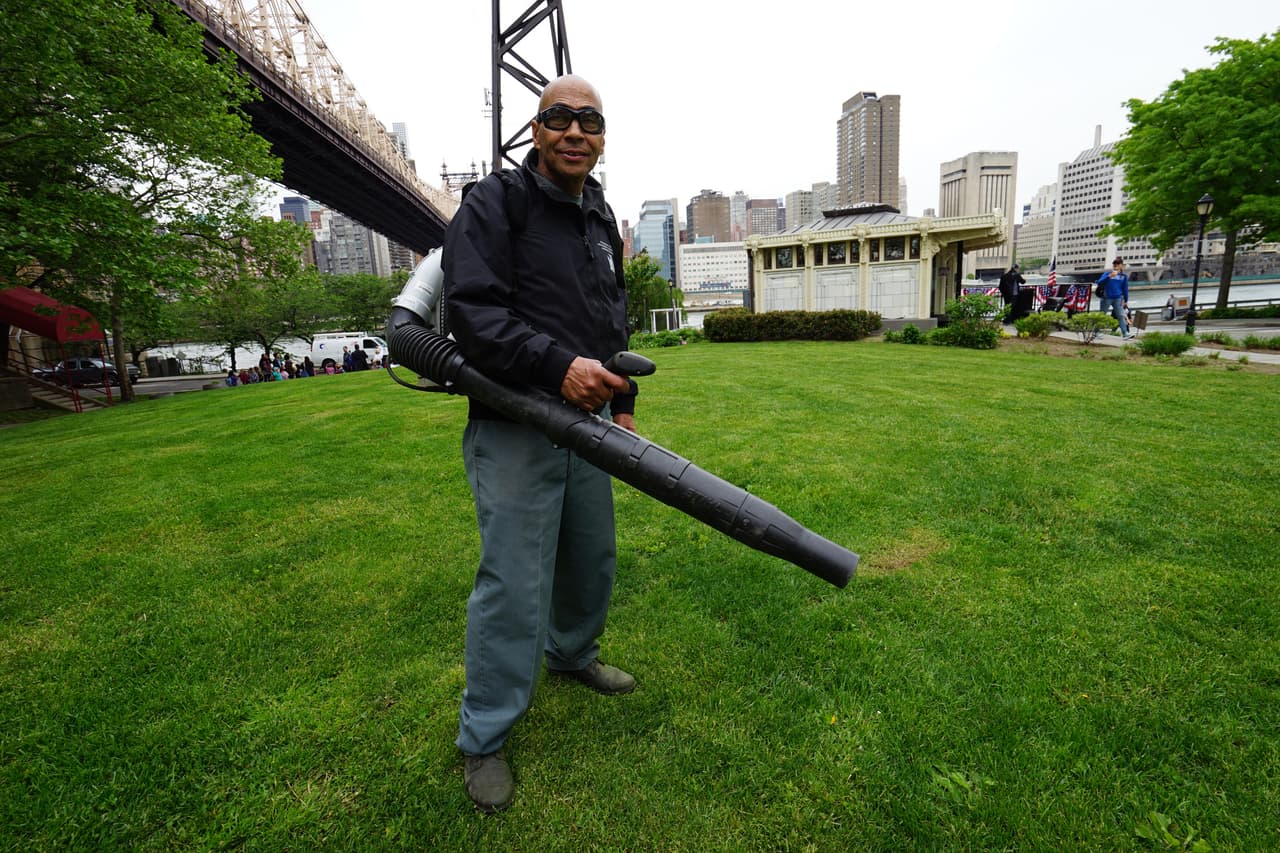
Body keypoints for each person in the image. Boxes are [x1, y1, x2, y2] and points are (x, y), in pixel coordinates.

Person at [442, 74, 636, 814]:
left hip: (588, 422)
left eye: (590, 120)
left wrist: (624, 402)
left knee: (591, 555)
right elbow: (472, 316)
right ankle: (483, 736)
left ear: (602, 135)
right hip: (516, 420)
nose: (575, 131)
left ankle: (574, 654)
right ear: (535, 129)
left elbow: (607, 316)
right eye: (560, 118)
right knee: (515, 582)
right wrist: (559, 368)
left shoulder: (598, 212)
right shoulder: (495, 203)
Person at [1096, 257, 1133, 339]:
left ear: (1121, 265)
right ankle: (1096, 332)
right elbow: (1099, 283)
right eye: (1114, 263)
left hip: (1118, 298)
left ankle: (1125, 333)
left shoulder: (1123, 276)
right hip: (1106, 297)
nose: (1116, 265)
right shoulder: (1107, 273)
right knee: (1102, 315)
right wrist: (1109, 276)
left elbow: (1125, 288)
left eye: (1118, 264)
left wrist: (1126, 300)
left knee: (1120, 315)